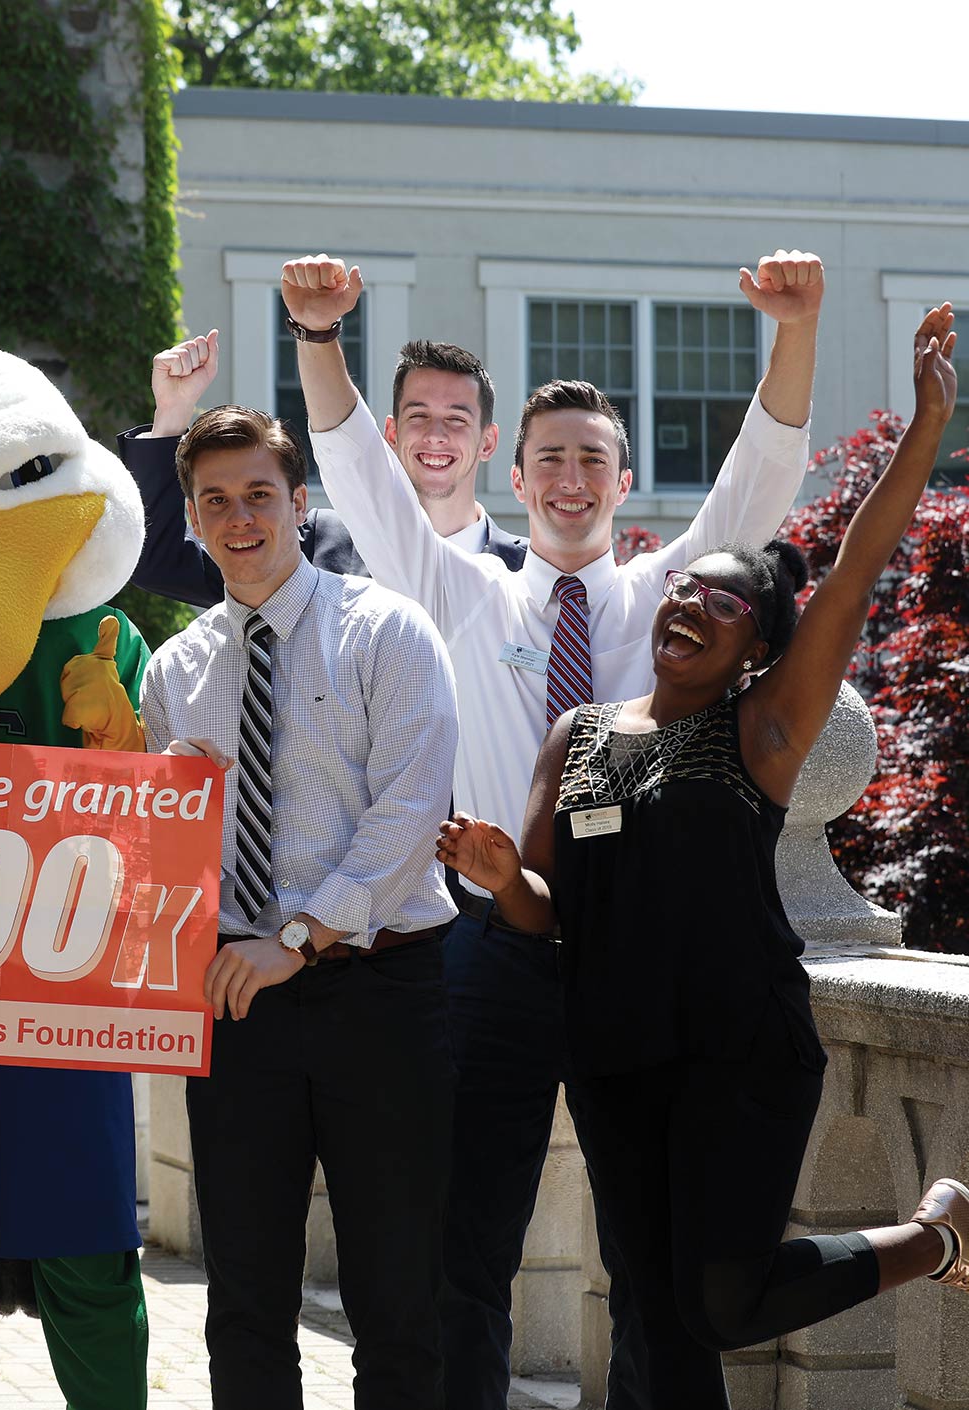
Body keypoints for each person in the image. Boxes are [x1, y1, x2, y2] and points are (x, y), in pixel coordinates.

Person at [289, 247, 825, 1408]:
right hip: (494, 950)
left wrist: (793, 329)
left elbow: (757, 477)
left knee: (651, 1261)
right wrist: (319, 338)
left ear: (622, 480)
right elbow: (363, 480)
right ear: (514, 478)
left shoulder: (670, 599)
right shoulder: (455, 592)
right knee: (464, 1242)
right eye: (548, 460)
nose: (569, 478)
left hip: (640, 960)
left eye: (590, 458)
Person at [434, 304, 969, 1406]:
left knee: (721, 1301)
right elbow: (546, 913)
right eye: (684, 588)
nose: (691, 603)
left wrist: (927, 425)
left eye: (725, 602)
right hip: (612, 1056)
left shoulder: (760, 730)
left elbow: (855, 570)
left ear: (756, 649)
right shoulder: (575, 737)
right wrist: (498, 877)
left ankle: (933, 1240)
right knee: (661, 1318)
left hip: (737, 1052)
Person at [139, 404, 460, 1407]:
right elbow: (159, 860)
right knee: (242, 1296)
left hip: (381, 990)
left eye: (258, 496)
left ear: (298, 502)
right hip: (238, 1004)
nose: (239, 519)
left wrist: (299, 936)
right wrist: (165, 798)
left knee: (397, 1294)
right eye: (215, 501)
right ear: (193, 517)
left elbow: (410, 809)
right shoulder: (174, 672)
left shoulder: (387, 630)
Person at [119, 328, 526, 608]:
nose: (436, 435)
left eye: (456, 420)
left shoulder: (528, 572)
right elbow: (160, 563)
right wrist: (172, 413)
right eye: (418, 416)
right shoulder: (317, 542)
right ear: (390, 432)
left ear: (488, 441)